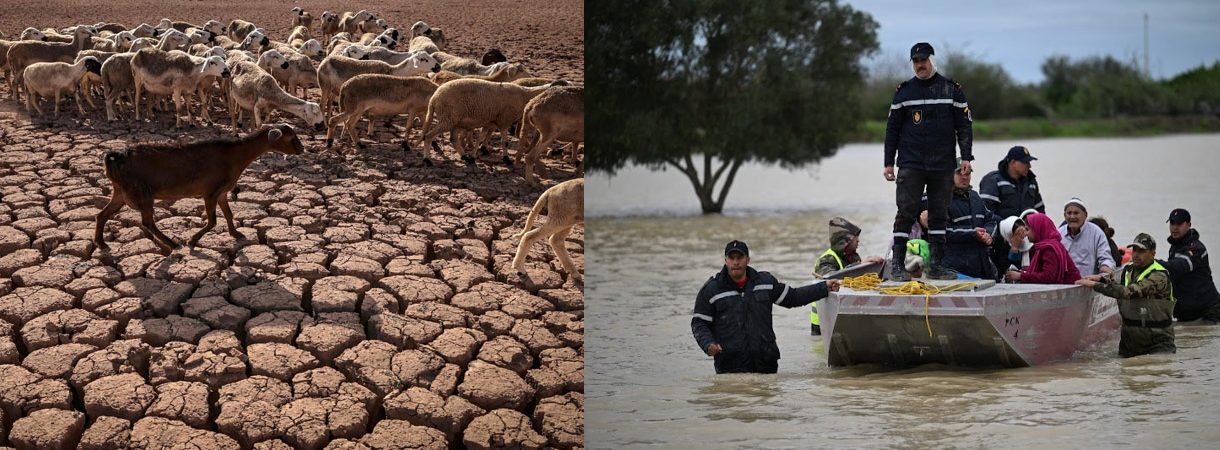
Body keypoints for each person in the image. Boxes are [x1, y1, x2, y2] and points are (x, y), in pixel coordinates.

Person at [883, 42, 973, 282]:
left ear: (933, 60)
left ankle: (935, 265)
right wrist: (888, 162)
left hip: (943, 164)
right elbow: (891, 129)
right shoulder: (904, 91)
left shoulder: (951, 89)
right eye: (916, 61)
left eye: (923, 60)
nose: (920, 65)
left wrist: (966, 157)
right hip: (911, 162)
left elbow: (964, 126)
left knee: (939, 214)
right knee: (906, 212)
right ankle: (898, 266)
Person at [692, 240, 841, 373]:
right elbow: (699, 323)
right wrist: (708, 344)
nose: (736, 262)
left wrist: (824, 288)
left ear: (748, 260)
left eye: (740, 258)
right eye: (732, 258)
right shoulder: (712, 290)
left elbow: (793, 297)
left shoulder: (765, 282)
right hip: (730, 368)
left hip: (766, 366)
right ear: (726, 260)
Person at [1077, 233, 1175, 357]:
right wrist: (1100, 279)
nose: (1136, 254)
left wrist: (1094, 286)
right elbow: (1118, 285)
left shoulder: (1159, 275)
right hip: (1129, 343)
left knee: (1155, 372)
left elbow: (1129, 292)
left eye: (1142, 251)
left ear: (1153, 253)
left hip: (1157, 343)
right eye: (1134, 250)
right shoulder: (1128, 270)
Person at [810, 218, 883, 335]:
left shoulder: (853, 257)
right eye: (855, 238)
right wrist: (860, 264)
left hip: (843, 317)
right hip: (823, 325)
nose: (858, 241)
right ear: (845, 241)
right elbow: (829, 279)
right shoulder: (826, 260)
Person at [941, 158, 998, 279]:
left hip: (981, 264)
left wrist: (986, 234)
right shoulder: (942, 199)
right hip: (955, 267)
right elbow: (943, 232)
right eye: (959, 173)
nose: (964, 177)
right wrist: (972, 233)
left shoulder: (975, 196)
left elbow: (991, 220)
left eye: (967, 173)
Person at [1163, 209, 1220, 324]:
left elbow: (1179, 266)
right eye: (1172, 223)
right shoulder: (1174, 247)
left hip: (1208, 313)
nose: (1174, 227)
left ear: (1188, 225)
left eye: (1179, 224)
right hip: (1186, 315)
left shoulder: (1196, 248)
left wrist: (1151, 262)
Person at [1005, 213, 1081, 284]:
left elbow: (1048, 277)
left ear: (1038, 229)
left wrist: (1020, 276)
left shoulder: (1049, 249)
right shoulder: (1042, 247)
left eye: (1027, 229)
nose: (1026, 234)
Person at [979, 145, 1044, 219]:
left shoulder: (1031, 181)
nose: (1029, 166)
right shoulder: (993, 180)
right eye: (1025, 162)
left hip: (1027, 229)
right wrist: (1011, 226)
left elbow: (1040, 210)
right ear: (1013, 163)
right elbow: (986, 213)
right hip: (1002, 229)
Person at [1058, 197, 1115, 276]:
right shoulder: (1059, 233)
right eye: (1069, 213)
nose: (1072, 217)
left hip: (1089, 282)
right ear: (1064, 215)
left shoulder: (1096, 232)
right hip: (1065, 283)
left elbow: (1106, 258)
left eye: (1076, 213)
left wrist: (1105, 266)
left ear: (1085, 215)